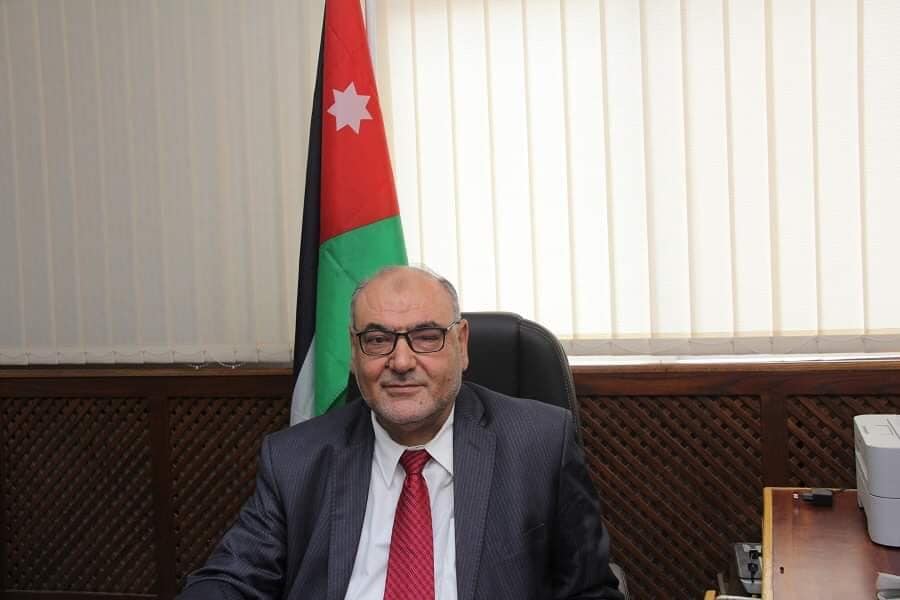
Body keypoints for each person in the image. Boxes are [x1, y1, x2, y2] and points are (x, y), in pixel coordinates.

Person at [179, 266, 623, 599]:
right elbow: (230, 579)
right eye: (377, 340)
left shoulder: (540, 444)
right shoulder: (295, 459)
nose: (402, 362)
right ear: (354, 352)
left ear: (461, 344)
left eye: (426, 336)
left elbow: (591, 591)